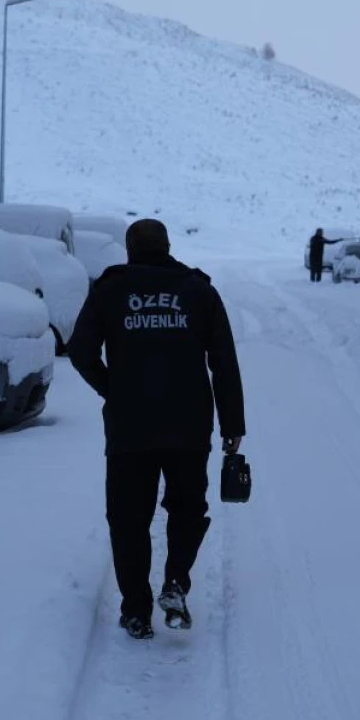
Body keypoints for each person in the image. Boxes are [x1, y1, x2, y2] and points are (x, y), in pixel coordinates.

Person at [69, 219, 246, 640]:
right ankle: (175, 582)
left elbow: (79, 351)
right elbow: (223, 360)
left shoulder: (111, 289)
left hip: (130, 428)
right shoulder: (198, 290)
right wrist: (232, 424)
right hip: (189, 426)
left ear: (130, 249)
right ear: (167, 246)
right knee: (187, 508)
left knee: (128, 518)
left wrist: (112, 389)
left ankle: (135, 609)